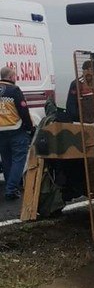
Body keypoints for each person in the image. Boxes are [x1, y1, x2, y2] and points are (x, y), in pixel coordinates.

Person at [0, 66, 34, 200]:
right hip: (15, 129)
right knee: (19, 159)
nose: (16, 78)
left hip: (0, 132)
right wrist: (30, 127)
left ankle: (10, 186)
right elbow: (23, 110)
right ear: (10, 77)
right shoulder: (14, 90)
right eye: (14, 76)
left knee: (6, 160)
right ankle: (11, 188)